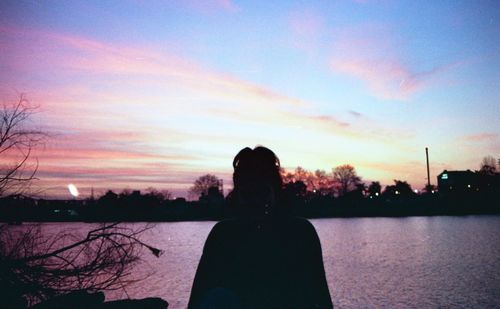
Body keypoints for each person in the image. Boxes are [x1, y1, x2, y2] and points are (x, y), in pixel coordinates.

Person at [188, 146, 333, 308]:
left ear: (275, 191)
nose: (255, 201)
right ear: (238, 194)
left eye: (262, 192)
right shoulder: (222, 235)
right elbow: (198, 298)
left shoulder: (301, 232)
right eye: (248, 193)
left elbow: (321, 296)